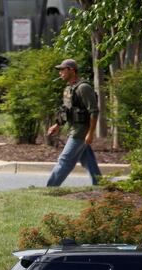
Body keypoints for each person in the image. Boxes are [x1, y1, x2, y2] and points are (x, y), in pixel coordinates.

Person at [46, 58, 102, 187]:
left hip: (80, 132)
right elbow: (67, 111)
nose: (60, 73)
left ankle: (50, 189)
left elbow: (94, 111)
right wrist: (57, 125)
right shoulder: (69, 89)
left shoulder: (84, 88)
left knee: (64, 161)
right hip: (74, 129)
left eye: (62, 70)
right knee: (88, 161)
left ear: (71, 70)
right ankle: (100, 186)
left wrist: (90, 133)